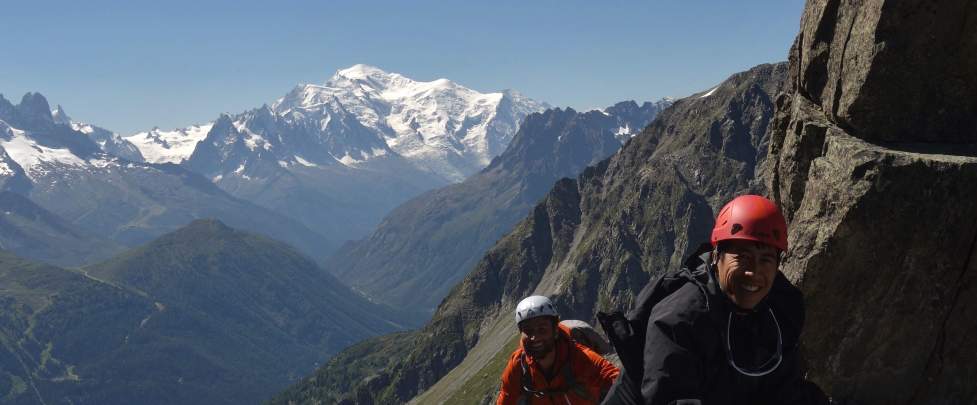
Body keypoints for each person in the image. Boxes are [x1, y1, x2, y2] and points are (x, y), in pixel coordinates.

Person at [601, 194, 828, 405]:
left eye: (766, 260)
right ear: (717, 255)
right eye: (743, 257)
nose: (754, 272)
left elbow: (784, 388)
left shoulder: (781, 308)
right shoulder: (679, 320)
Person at [498, 295, 620, 405]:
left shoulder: (581, 358)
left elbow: (618, 382)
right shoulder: (518, 365)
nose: (535, 337)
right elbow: (506, 399)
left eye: (542, 329)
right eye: (528, 331)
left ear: (555, 330)